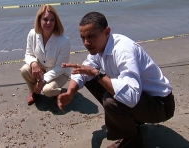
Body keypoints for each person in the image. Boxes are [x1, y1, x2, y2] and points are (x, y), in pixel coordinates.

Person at [57, 12, 175, 148]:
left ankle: (132, 139)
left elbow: (131, 97)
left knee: (110, 99)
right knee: (89, 75)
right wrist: (70, 92)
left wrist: (97, 74)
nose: (86, 43)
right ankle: (132, 121)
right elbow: (83, 72)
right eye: (83, 38)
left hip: (160, 105)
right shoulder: (100, 48)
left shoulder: (123, 51)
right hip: (143, 99)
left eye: (91, 37)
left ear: (106, 32)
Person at [20, 5, 71, 105]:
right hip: (41, 68)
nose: (49, 23)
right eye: (45, 19)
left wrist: (42, 80)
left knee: (48, 90)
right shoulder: (32, 33)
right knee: (24, 70)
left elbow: (60, 68)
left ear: (56, 22)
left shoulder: (64, 41)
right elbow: (28, 54)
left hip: (59, 72)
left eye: (52, 20)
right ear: (39, 20)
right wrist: (34, 63)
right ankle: (34, 92)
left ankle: (59, 92)